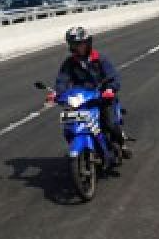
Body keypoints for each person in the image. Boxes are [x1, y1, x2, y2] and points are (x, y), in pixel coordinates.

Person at [47, 26, 128, 158]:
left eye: (82, 43)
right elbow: (62, 80)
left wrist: (110, 89)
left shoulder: (100, 59)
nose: (80, 47)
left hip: (103, 97)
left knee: (110, 123)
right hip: (82, 99)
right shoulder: (69, 63)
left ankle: (121, 143)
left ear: (88, 43)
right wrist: (57, 94)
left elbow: (113, 76)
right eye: (76, 44)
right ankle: (81, 144)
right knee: (69, 125)